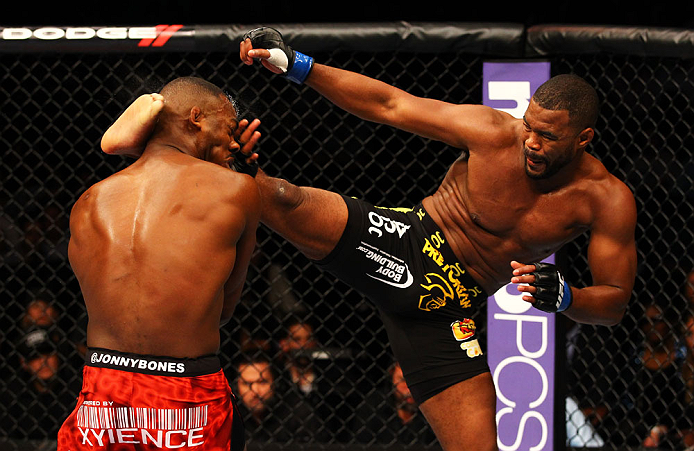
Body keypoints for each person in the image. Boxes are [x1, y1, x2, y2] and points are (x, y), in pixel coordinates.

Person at [103, 29, 638, 450]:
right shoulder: (495, 132)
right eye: (530, 126)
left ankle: (227, 170)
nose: (532, 142)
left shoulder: (606, 200)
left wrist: (567, 298)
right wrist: (300, 66)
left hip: (450, 310)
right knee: (274, 195)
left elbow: (613, 304)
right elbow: (391, 105)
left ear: (584, 139)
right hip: (407, 241)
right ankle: (201, 157)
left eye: (548, 136)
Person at [57, 77, 261, 450]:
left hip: (102, 393)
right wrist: (243, 176)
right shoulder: (236, 190)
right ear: (196, 117)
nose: (234, 141)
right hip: (185, 395)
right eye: (230, 127)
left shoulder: (89, 201)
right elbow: (224, 309)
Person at [353, 361, 438, 446]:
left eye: (416, 381)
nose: (410, 389)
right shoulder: (373, 406)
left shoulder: (434, 409)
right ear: (392, 378)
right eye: (403, 380)